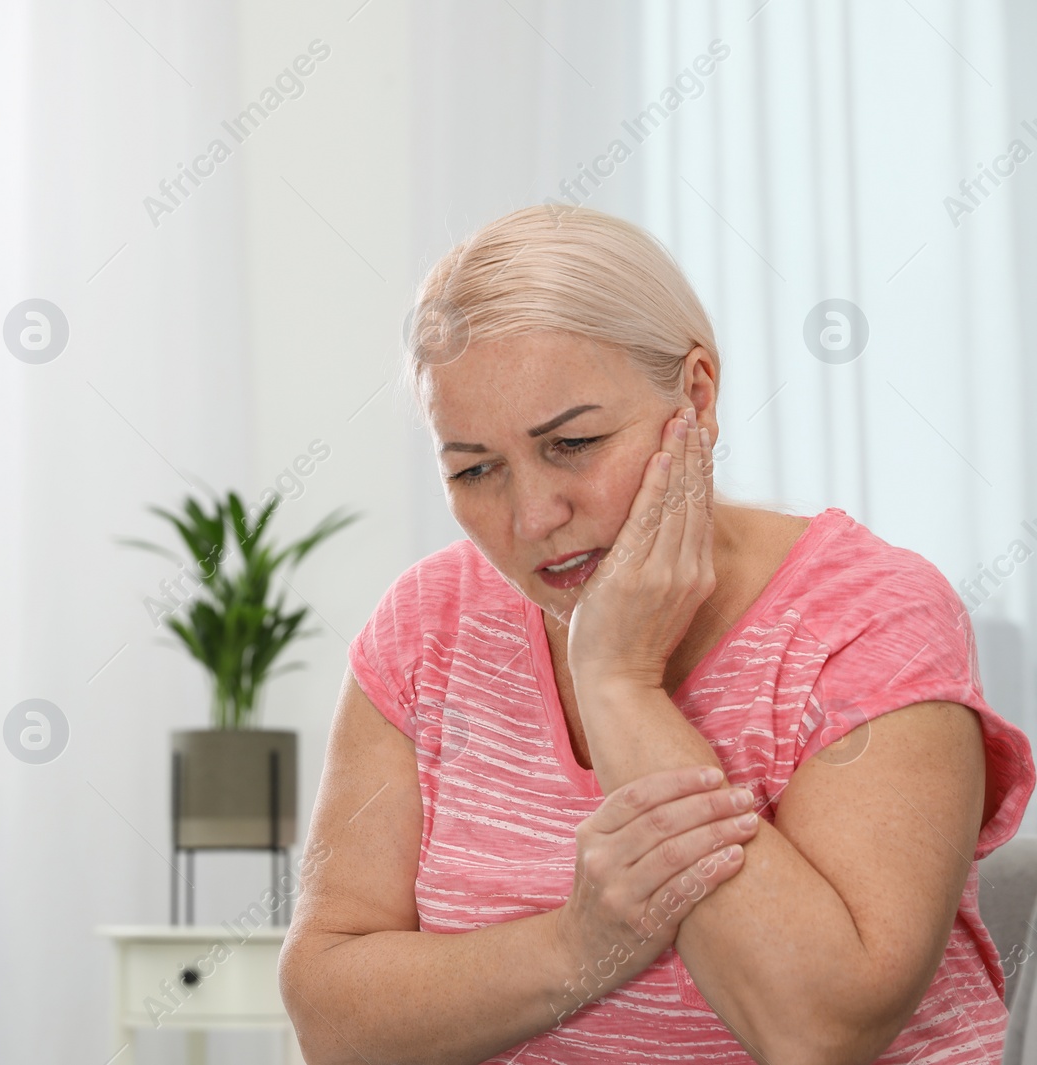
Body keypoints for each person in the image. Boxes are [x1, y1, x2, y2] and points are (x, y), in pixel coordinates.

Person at [277, 203, 1037, 1064]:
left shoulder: (871, 619)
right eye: (475, 469)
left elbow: (820, 1027)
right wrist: (577, 943)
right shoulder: (426, 628)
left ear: (697, 396)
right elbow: (331, 1020)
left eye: (573, 443)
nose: (532, 516)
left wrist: (618, 683)